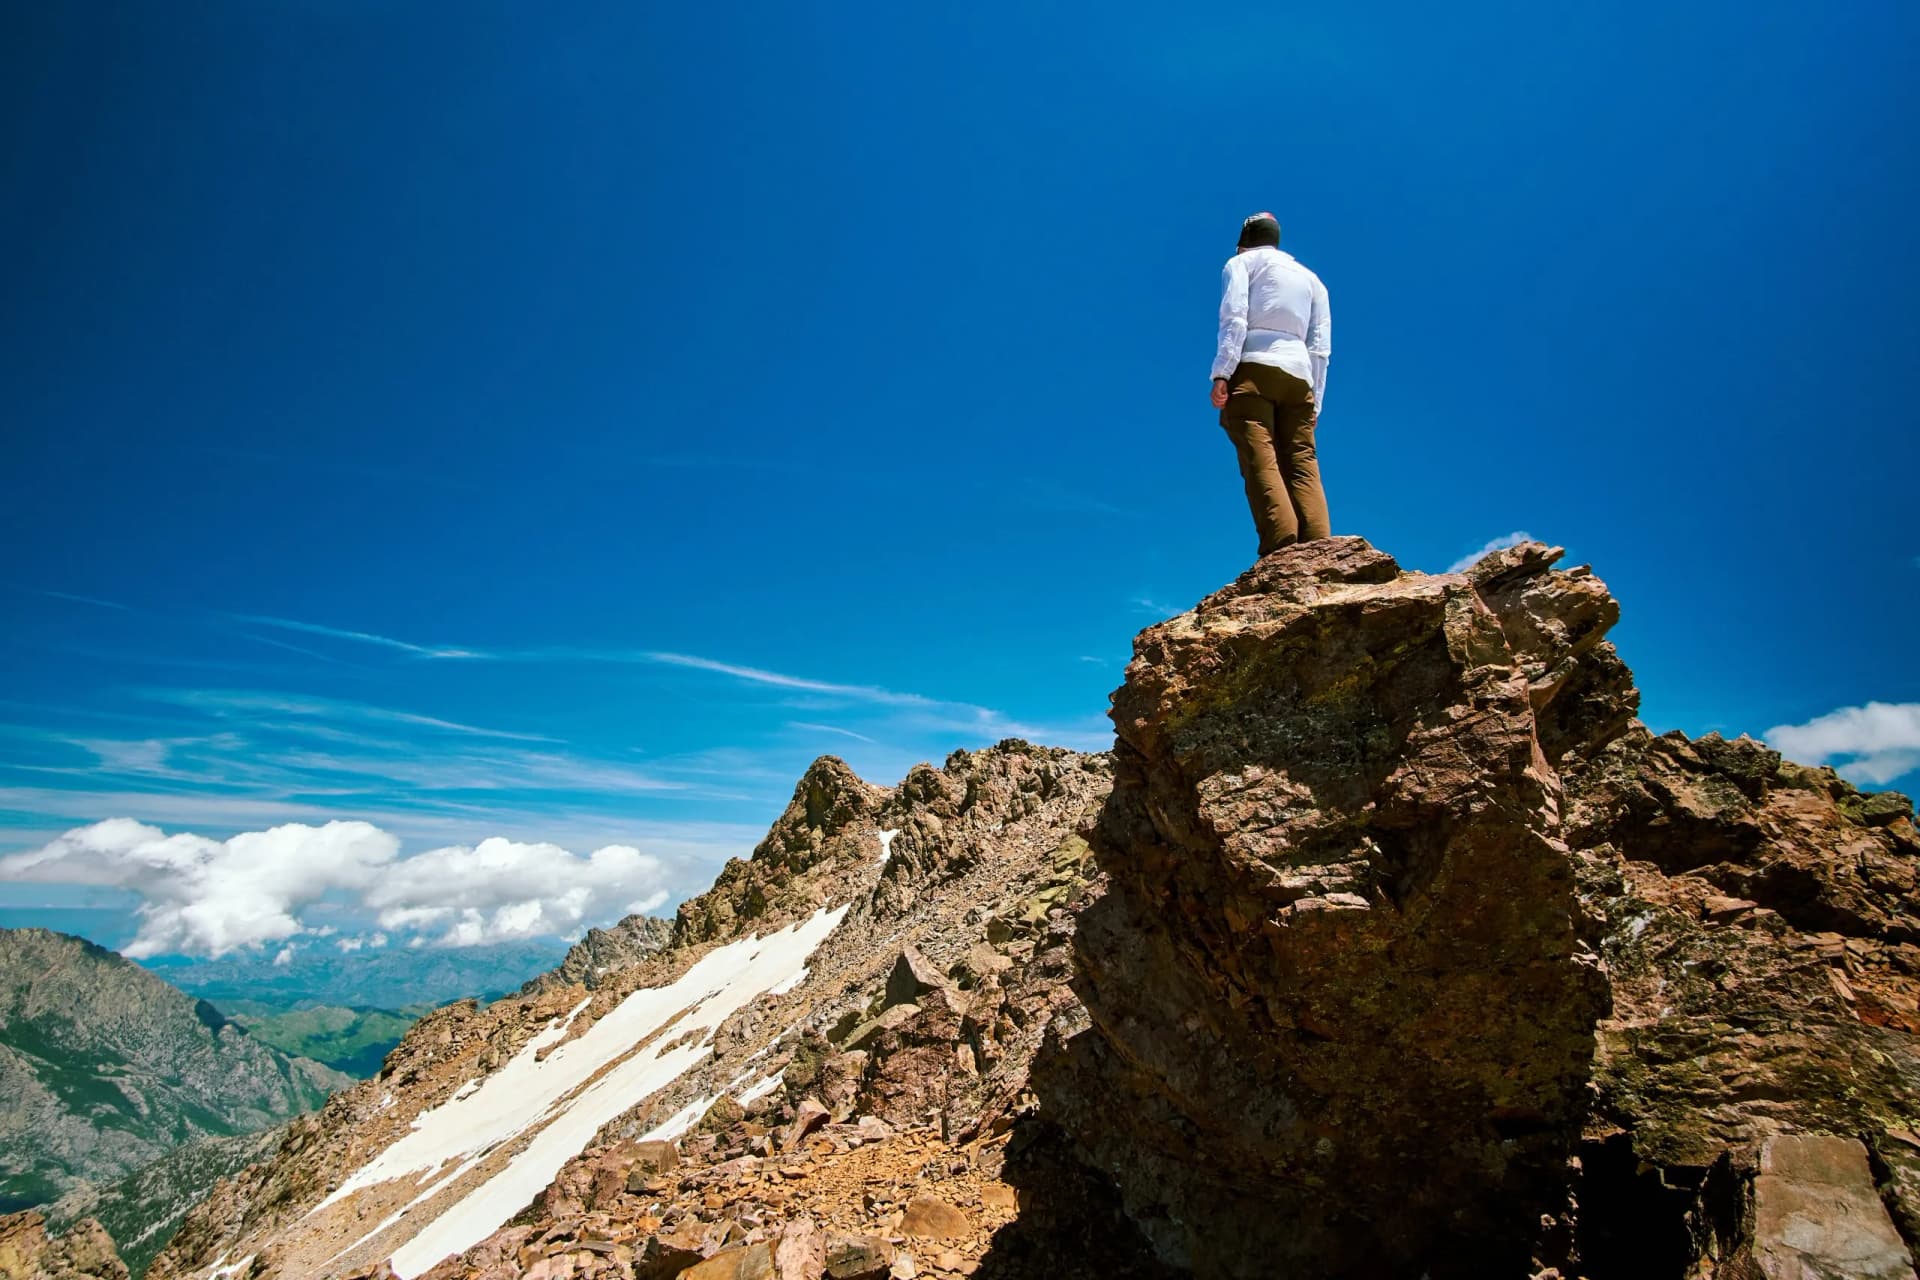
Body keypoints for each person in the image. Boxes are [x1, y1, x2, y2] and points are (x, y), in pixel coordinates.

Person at [1210, 211, 1332, 557]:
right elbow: (1320, 348)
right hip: (1300, 378)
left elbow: (1234, 316)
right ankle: (1320, 549)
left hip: (1253, 369)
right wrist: (1316, 402)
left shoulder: (1242, 264)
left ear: (1242, 243)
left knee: (1259, 456)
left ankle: (1281, 546)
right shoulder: (1313, 281)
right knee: (1302, 460)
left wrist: (1223, 370)